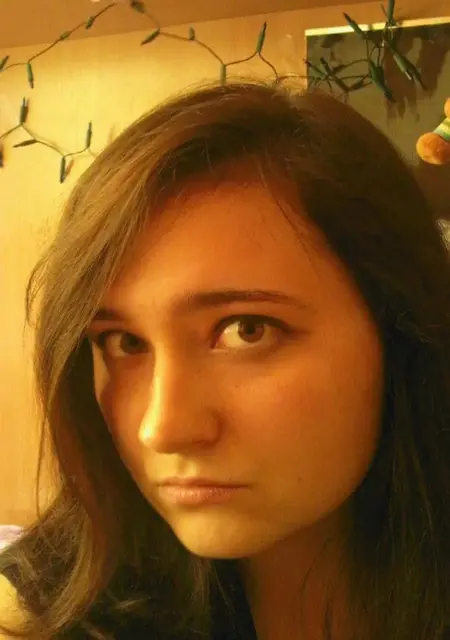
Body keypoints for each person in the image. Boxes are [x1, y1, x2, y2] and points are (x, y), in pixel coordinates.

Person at [0, 77, 449, 640]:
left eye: (246, 331)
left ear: (400, 329)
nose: (162, 429)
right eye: (124, 343)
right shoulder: (37, 615)